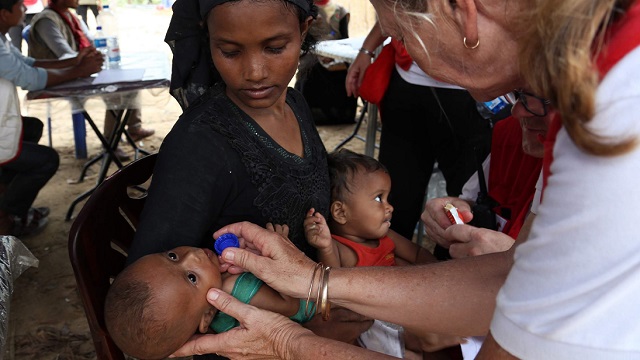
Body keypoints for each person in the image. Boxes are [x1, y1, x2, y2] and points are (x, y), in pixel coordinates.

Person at [168, 0, 640, 359]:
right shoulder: (601, 75)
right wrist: (318, 282)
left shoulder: (613, 122)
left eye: (401, 40)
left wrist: (294, 343)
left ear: (463, 15)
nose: (405, 56)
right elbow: (510, 277)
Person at [129, 0, 372, 356]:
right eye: (229, 51)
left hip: (321, 300)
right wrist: (306, 336)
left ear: (304, 30)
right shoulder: (199, 147)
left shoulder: (294, 104)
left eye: (275, 48)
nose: (255, 72)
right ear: (207, 39)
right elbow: (154, 304)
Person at [346, 23, 492, 260]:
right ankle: (383, 273)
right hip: (408, 84)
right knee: (395, 198)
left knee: (467, 205)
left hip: (465, 89)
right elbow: (395, 10)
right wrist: (367, 50)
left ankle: (449, 276)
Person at [304, 149, 451, 358]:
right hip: (373, 319)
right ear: (340, 212)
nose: (389, 207)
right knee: (419, 341)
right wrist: (325, 247)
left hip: (403, 306)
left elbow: (418, 254)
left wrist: (443, 277)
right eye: (378, 198)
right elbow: (332, 284)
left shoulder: (386, 236)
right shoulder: (340, 248)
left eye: (387, 197)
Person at [105, 242, 316, 360]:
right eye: (191, 278)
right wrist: (272, 259)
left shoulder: (214, 311)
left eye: (171, 256)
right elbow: (291, 305)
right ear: (207, 316)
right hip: (315, 305)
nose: (192, 255)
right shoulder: (235, 289)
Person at [1, 0, 102, 236]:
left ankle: (4, 191)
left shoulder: (2, 40)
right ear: (5, 14)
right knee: (46, 161)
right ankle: (6, 215)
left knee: (32, 127)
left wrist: (74, 61)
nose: (25, 9)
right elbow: (29, 78)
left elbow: (28, 63)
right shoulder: (45, 20)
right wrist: (79, 70)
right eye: (20, 6)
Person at [28, 0, 154, 161]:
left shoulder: (72, 17)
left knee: (130, 80)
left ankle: (133, 128)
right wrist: (88, 62)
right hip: (57, 76)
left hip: (76, 70)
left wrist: (95, 55)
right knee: (114, 90)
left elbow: (92, 42)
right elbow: (65, 55)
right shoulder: (46, 20)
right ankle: (110, 144)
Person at [423, 101, 550, 259]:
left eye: (549, 100)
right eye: (521, 94)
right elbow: (471, 199)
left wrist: (514, 257)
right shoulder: (513, 133)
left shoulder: (584, 176)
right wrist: (449, 213)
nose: (517, 110)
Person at [294, 0, 356, 125]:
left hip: (336, 55)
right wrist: (320, 53)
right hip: (311, 54)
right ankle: (313, 115)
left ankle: (341, 115)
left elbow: (344, 38)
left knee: (345, 70)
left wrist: (335, 55)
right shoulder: (304, 10)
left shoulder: (340, 11)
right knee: (311, 69)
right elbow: (302, 40)